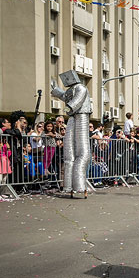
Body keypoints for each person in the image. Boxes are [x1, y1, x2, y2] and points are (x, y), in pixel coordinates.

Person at [50, 70, 92, 198]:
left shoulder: (80, 87)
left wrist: (70, 107)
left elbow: (77, 99)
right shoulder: (71, 90)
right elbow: (66, 97)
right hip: (73, 117)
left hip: (81, 116)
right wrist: (56, 90)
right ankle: (68, 186)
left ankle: (78, 186)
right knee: (70, 155)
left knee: (82, 153)